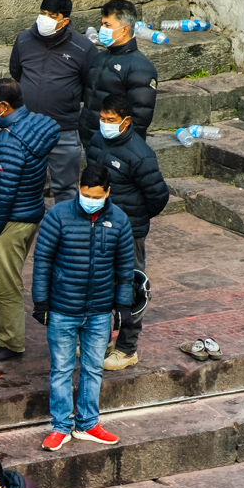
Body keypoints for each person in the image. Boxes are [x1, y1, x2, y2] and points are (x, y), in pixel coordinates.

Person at [32, 163, 134, 452]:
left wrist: (122, 307)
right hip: (63, 309)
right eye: (86, 193)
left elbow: (125, 269)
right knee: (61, 369)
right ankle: (61, 426)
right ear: (79, 189)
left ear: (108, 192)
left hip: (100, 311)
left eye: (97, 195)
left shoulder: (120, 221)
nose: (90, 199)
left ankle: (88, 423)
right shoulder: (58, 217)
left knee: (93, 369)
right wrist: (41, 302)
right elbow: (42, 262)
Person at [0, 78, 60, 365]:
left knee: (6, 283)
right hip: (31, 212)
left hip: (11, 220)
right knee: (2, 279)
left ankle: (10, 340)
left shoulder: (10, 141)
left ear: (4, 105)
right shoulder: (35, 124)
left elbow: (3, 191)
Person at [85, 93, 170, 371]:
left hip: (128, 233)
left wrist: (134, 220)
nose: (105, 124)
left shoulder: (140, 154)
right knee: (97, 285)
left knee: (130, 289)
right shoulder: (97, 142)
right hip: (97, 227)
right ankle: (102, 339)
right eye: (102, 118)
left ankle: (126, 348)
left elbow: (158, 196)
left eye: (111, 120)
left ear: (126, 121)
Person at [9, 0, 96, 204]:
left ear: (65, 20)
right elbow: (16, 72)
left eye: (52, 15)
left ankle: (65, 231)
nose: (44, 19)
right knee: (26, 184)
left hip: (63, 129)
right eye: (42, 12)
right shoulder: (24, 39)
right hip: (27, 127)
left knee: (65, 187)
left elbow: (90, 86)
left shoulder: (83, 48)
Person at [83, 0, 158, 138]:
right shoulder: (99, 58)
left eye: (107, 25)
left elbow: (140, 117)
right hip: (93, 143)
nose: (102, 29)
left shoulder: (139, 68)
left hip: (117, 148)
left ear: (124, 30)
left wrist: (120, 146)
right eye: (102, 24)